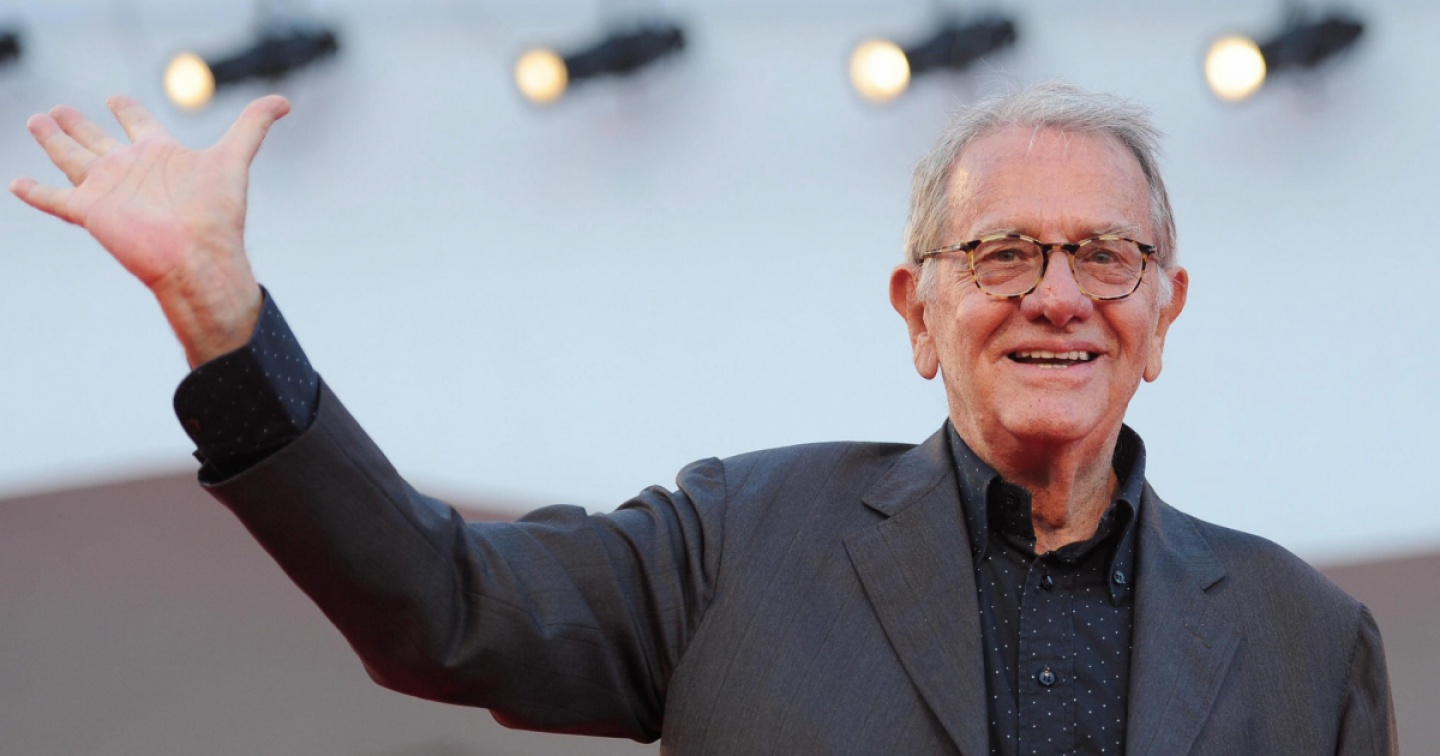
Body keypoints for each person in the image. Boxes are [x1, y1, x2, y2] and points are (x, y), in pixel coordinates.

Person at [12, 82, 1396, 755]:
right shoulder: (738, 545)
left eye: (1105, 255)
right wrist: (221, 313)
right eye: (1002, 253)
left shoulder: (1308, 641)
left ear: (1163, 310)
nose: (1057, 294)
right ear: (918, 310)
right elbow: (442, 603)